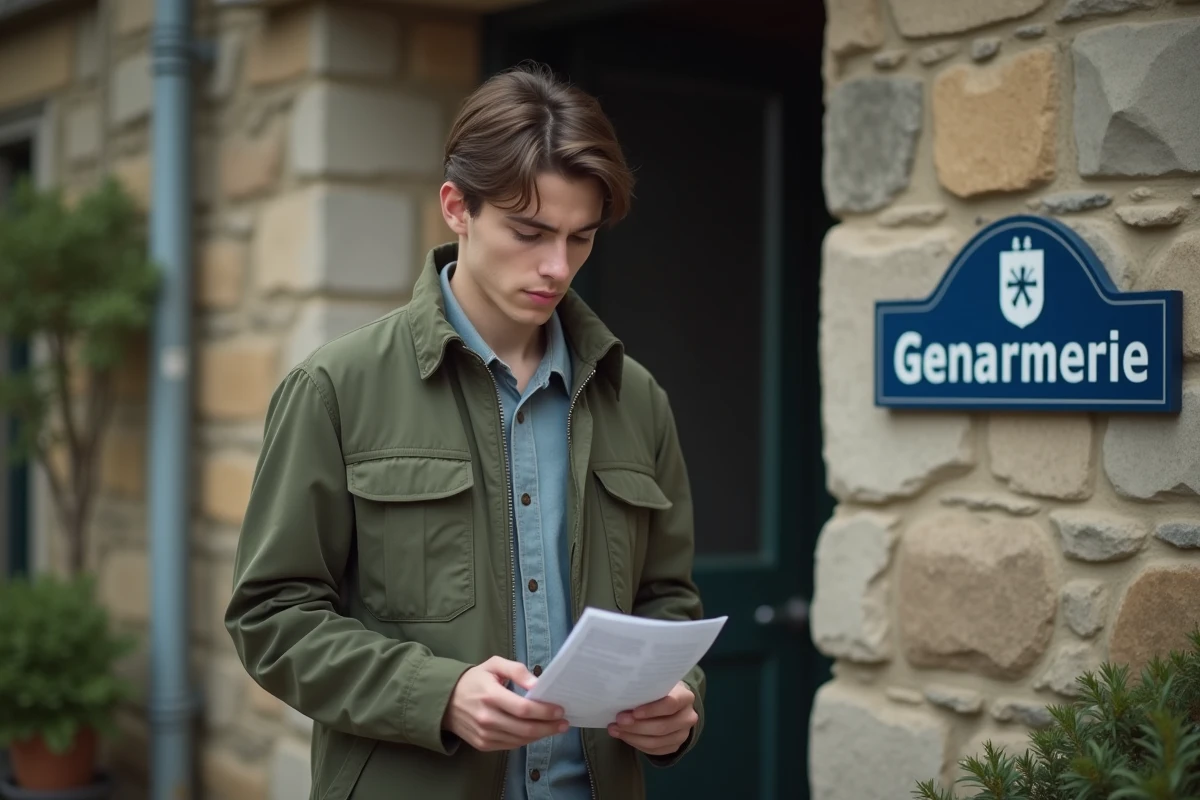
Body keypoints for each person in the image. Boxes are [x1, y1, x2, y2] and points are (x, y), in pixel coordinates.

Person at [225, 63, 706, 800]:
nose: (556, 267)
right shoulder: (335, 389)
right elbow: (271, 616)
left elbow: (668, 602)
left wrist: (680, 701)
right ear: (457, 207)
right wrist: (436, 694)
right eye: (530, 231)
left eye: (580, 239)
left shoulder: (637, 400)